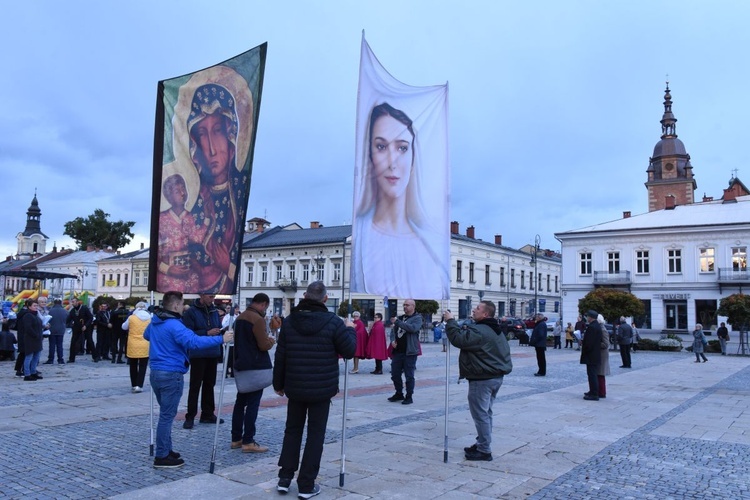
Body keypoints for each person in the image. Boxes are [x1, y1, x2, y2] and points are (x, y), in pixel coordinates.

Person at [351, 102, 449, 299]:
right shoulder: (360, 236)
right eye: (381, 146)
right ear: (369, 155)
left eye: (402, 148)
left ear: (413, 158)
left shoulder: (430, 251)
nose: (392, 161)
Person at [273, 281, 356, 497]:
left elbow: (281, 355)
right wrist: (351, 331)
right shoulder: (334, 322)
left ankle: (285, 477)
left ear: (304, 296)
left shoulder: (289, 322)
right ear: (325, 299)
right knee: (315, 435)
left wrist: (278, 384)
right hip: (321, 388)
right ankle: (306, 484)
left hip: (295, 386)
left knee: (292, 430)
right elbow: (349, 351)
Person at [144, 291, 233, 468]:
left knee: (165, 413)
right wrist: (221, 339)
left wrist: (163, 343)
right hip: (171, 373)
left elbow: (147, 336)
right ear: (176, 305)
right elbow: (194, 342)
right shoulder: (174, 325)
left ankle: (166, 449)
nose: (183, 305)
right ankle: (162, 456)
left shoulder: (155, 321)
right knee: (166, 416)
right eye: (182, 302)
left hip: (156, 372)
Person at [187, 84, 248, 294]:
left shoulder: (240, 190)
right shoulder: (194, 198)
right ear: (195, 145)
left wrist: (228, 267)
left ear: (231, 134)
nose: (212, 149)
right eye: (203, 134)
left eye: (218, 131)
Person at [444, 301, 512, 462]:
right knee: (486, 413)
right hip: (495, 377)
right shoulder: (493, 329)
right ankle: (482, 442)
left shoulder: (481, 331)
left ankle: (484, 450)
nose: (474, 310)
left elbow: (459, 339)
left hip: (482, 379)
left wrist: (450, 321)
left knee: (481, 414)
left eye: (478, 308)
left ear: (486, 314)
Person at [231, 293, 275, 453]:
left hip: (241, 364)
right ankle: (248, 440)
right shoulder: (257, 319)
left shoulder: (241, 317)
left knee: (240, 402)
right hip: (255, 366)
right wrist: (271, 340)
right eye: (266, 307)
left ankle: (236, 438)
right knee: (253, 404)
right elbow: (263, 345)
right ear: (263, 304)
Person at [156, 173, 206, 292]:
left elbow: (197, 238)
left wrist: (207, 221)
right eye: (177, 191)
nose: (183, 193)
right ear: (169, 197)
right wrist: (168, 269)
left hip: (187, 271)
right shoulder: (162, 219)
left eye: (183, 188)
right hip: (168, 273)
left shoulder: (189, 217)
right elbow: (156, 251)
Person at [182, 293, 223, 429]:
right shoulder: (191, 312)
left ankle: (208, 413)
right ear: (202, 295)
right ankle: (190, 416)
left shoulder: (214, 311)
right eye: (210, 297)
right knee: (195, 385)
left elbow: (217, 326)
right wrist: (207, 332)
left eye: (214, 297)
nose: (213, 299)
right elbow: (188, 333)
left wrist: (221, 332)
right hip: (198, 352)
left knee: (209, 384)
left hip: (212, 351)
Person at [387, 299, 423, 405]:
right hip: (398, 351)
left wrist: (398, 322)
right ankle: (399, 393)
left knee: (409, 375)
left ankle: (409, 396)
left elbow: (412, 329)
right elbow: (393, 331)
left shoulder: (417, 318)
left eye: (407, 305)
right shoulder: (401, 317)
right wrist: (393, 340)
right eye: (404, 305)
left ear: (413, 306)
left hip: (409, 352)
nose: (405, 307)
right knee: (395, 374)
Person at [123, 302, 151, 393]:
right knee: (143, 366)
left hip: (133, 344)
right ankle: (140, 385)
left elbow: (124, 327)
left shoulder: (132, 317)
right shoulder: (149, 318)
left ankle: (134, 384)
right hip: (145, 343)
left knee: (133, 365)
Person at [580, 310, 603, 401]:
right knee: (592, 374)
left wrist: (584, 347)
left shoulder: (592, 327)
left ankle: (594, 393)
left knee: (592, 374)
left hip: (591, 354)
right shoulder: (596, 326)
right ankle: (592, 391)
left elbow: (589, 343)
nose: (587, 318)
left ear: (591, 317)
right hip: (594, 354)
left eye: (587, 316)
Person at [21, 299, 44, 381]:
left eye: (36, 305)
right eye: (34, 306)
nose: (36, 307)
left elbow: (39, 325)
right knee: (29, 356)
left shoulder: (36, 315)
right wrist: (35, 334)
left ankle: (33, 372)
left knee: (36, 357)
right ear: (29, 306)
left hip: (37, 339)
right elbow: (28, 328)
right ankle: (27, 374)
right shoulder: (27, 315)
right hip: (30, 339)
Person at [66, 298, 93, 363]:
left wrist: (86, 325)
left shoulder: (84, 308)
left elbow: (90, 317)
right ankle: (71, 358)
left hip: (86, 327)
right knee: (73, 342)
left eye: (73, 301)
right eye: (72, 302)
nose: (72, 303)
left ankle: (95, 356)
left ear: (77, 302)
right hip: (76, 328)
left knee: (90, 341)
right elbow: (68, 319)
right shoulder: (72, 310)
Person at [44, 299, 67, 364]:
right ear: (61, 303)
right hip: (61, 330)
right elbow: (67, 319)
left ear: (54, 303)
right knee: (60, 345)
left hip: (52, 330)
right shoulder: (64, 311)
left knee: (52, 345)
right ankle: (60, 359)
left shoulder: (50, 311)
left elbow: (47, 320)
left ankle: (51, 359)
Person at [596, 314, 611, 399]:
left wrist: (596, 343)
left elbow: (606, 344)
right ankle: (600, 391)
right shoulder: (601, 328)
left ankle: (602, 392)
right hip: (601, 354)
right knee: (599, 374)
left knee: (601, 374)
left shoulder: (603, 329)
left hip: (603, 354)